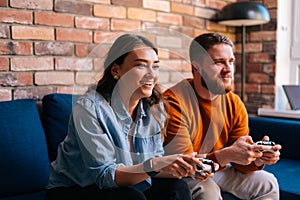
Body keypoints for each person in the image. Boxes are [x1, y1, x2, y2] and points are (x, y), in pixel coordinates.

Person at [45, 33, 207, 200]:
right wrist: (156, 165)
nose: (151, 74)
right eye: (141, 66)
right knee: (131, 197)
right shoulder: (88, 109)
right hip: (73, 190)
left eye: (155, 66)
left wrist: (186, 167)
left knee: (178, 188)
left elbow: (153, 165)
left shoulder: (154, 108)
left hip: (126, 184)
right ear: (116, 70)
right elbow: (105, 176)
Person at [163, 32, 282, 200]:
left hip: (219, 168)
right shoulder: (172, 101)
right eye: (219, 62)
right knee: (208, 191)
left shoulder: (234, 103)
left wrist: (256, 157)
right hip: (186, 173)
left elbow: (240, 163)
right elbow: (188, 166)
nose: (228, 70)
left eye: (231, 62)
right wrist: (228, 155)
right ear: (196, 68)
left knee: (267, 182)